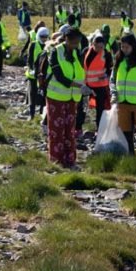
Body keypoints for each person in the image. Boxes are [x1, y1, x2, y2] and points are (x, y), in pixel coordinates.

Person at [45, 27, 87, 167]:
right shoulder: (55, 52)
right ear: (67, 39)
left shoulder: (75, 53)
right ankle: (57, 160)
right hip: (56, 97)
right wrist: (79, 86)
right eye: (74, 42)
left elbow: (79, 72)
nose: (76, 45)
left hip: (71, 98)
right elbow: (60, 76)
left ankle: (70, 159)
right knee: (57, 130)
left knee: (70, 129)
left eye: (78, 42)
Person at [83, 32, 113, 131]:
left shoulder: (106, 54)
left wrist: (106, 76)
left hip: (100, 85)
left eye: (101, 47)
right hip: (87, 84)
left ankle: (100, 127)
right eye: (97, 46)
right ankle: (79, 126)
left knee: (101, 108)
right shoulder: (86, 52)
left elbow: (110, 69)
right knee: (81, 106)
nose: (99, 49)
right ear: (93, 44)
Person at [24, 26, 50, 119]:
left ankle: (42, 114)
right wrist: (31, 69)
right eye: (42, 36)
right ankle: (31, 114)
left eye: (46, 36)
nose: (44, 38)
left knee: (43, 96)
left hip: (43, 75)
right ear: (38, 35)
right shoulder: (33, 44)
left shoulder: (49, 46)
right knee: (32, 94)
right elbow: (29, 59)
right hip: (33, 75)